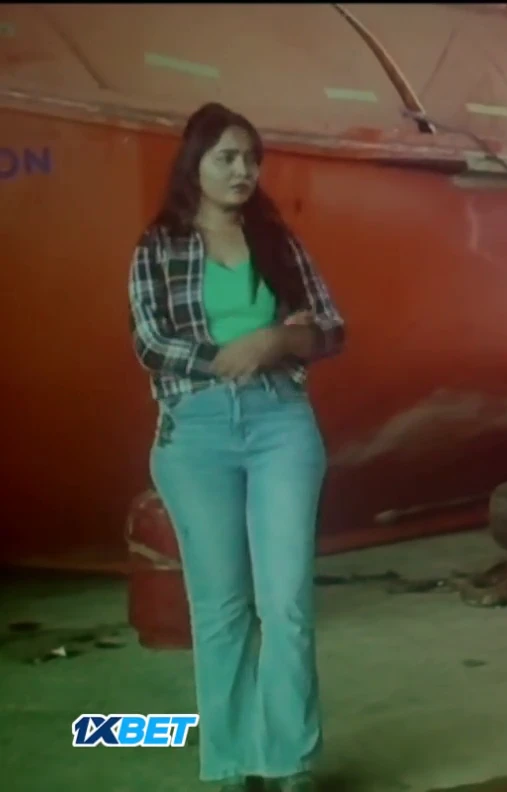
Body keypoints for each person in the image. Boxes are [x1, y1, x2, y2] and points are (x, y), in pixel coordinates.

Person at [130, 102, 347, 792]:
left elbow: (330, 329)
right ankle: (228, 763)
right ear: (194, 163)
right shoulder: (159, 246)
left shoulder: (278, 245)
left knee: (285, 603)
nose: (242, 170)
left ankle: (287, 760)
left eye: (251, 158)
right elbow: (151, 341)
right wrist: (242, 351)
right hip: (195, 433)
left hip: (280, 424)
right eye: (226, 157)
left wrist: (277, 340)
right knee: (220, 607)